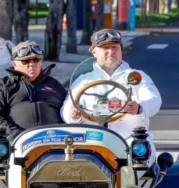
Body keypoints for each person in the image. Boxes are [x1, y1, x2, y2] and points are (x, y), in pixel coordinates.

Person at [62, 29, 162, 159]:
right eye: (105, 48)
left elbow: (154, 100)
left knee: (137, 159)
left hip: (129, 141)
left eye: (115, 47)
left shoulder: (136, 77)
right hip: (92, 143)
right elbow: (66, 108)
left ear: (121, 50)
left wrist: (139, 107)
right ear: (94, 52)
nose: (111, 52)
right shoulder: (83, 81)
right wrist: (73, 115)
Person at [0, 41, 67, 141]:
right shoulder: (4, 86)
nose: (32, 64)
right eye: (25, 61)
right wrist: (15, 136)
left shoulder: (55, 85)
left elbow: (68, 111)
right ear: (15, 64)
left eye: (36, 60)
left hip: (54, 142)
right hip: (18, 143)